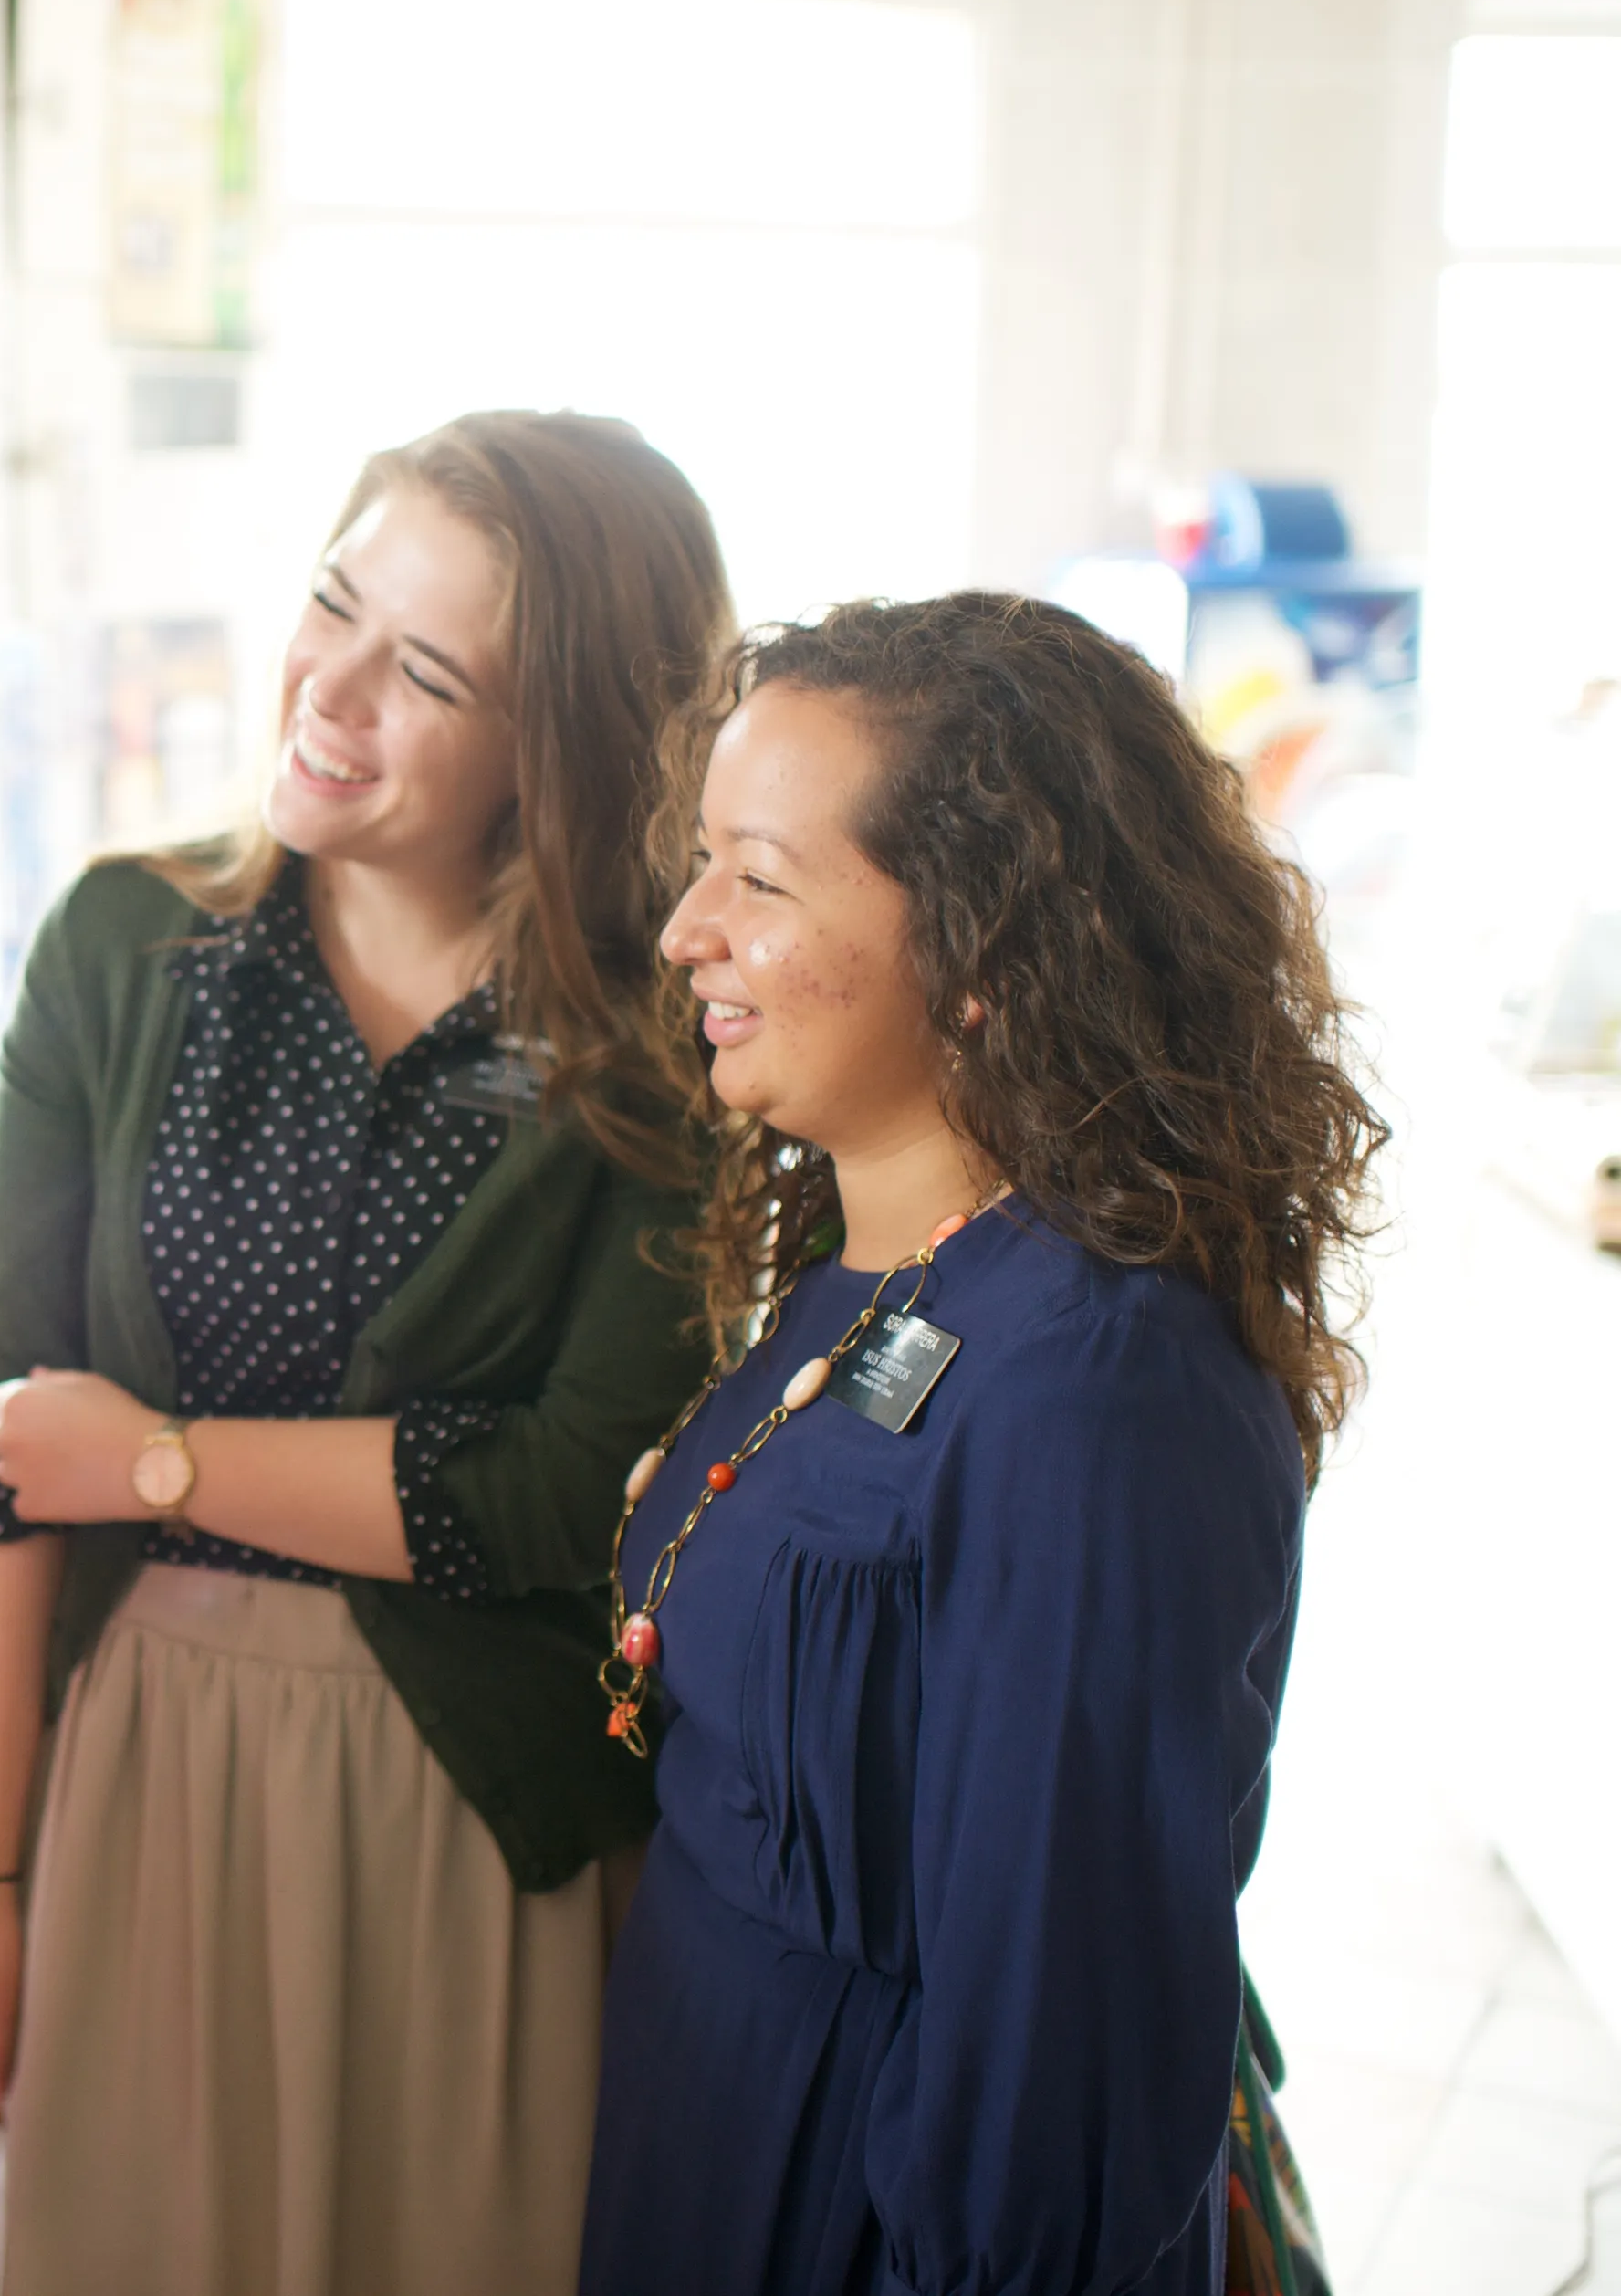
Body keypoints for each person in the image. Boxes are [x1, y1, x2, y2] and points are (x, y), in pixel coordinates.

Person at [0, 413, 737, 2295]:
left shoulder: (659, 1054)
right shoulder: (123, 950)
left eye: (429, 674)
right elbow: (1, 1446)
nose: (332, 691)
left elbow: (560, 1494)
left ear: (566, 748)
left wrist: (161, 1465)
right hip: (128, 1771)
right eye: (332, 608)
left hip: (470, 1822)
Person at [580, 593, 1386, 2296]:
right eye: (705, 861)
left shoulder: (1097, 1382)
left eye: (763, 879)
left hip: (867, 2203)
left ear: (988, 952)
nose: (686, 931)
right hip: (722, 2129)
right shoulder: (872, 1264)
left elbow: (1061, 2061)